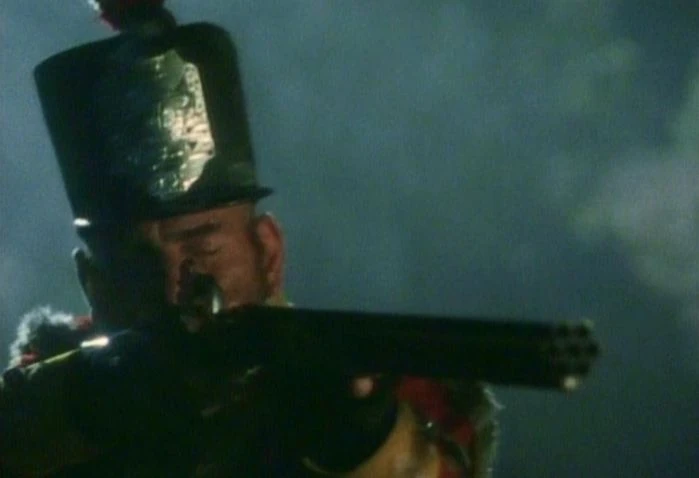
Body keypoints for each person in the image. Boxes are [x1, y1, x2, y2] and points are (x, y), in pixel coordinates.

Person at [0, 1, 498, 476]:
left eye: (203, 248)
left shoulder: (381, 385)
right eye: (137, 266)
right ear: (93, 283)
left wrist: (364, 439)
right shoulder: (61, 394)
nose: (174, 288)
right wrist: (103, 401)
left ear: (267, 251)